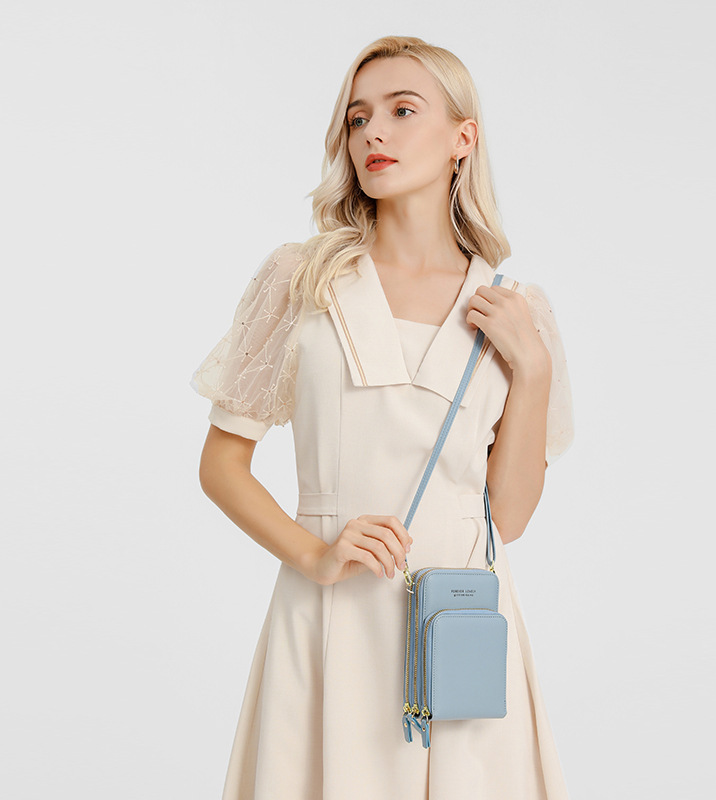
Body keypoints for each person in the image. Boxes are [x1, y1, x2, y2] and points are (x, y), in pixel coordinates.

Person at [190, 35, 575, 800]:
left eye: (403, 110)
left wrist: (531, 369)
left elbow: (509, 516)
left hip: (459, 626)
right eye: (358, 117)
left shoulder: (516, 310)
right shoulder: (301, 279)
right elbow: (221, 465)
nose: (374, 132)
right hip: (330, 615)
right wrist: (314, 554)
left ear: (463, 137)